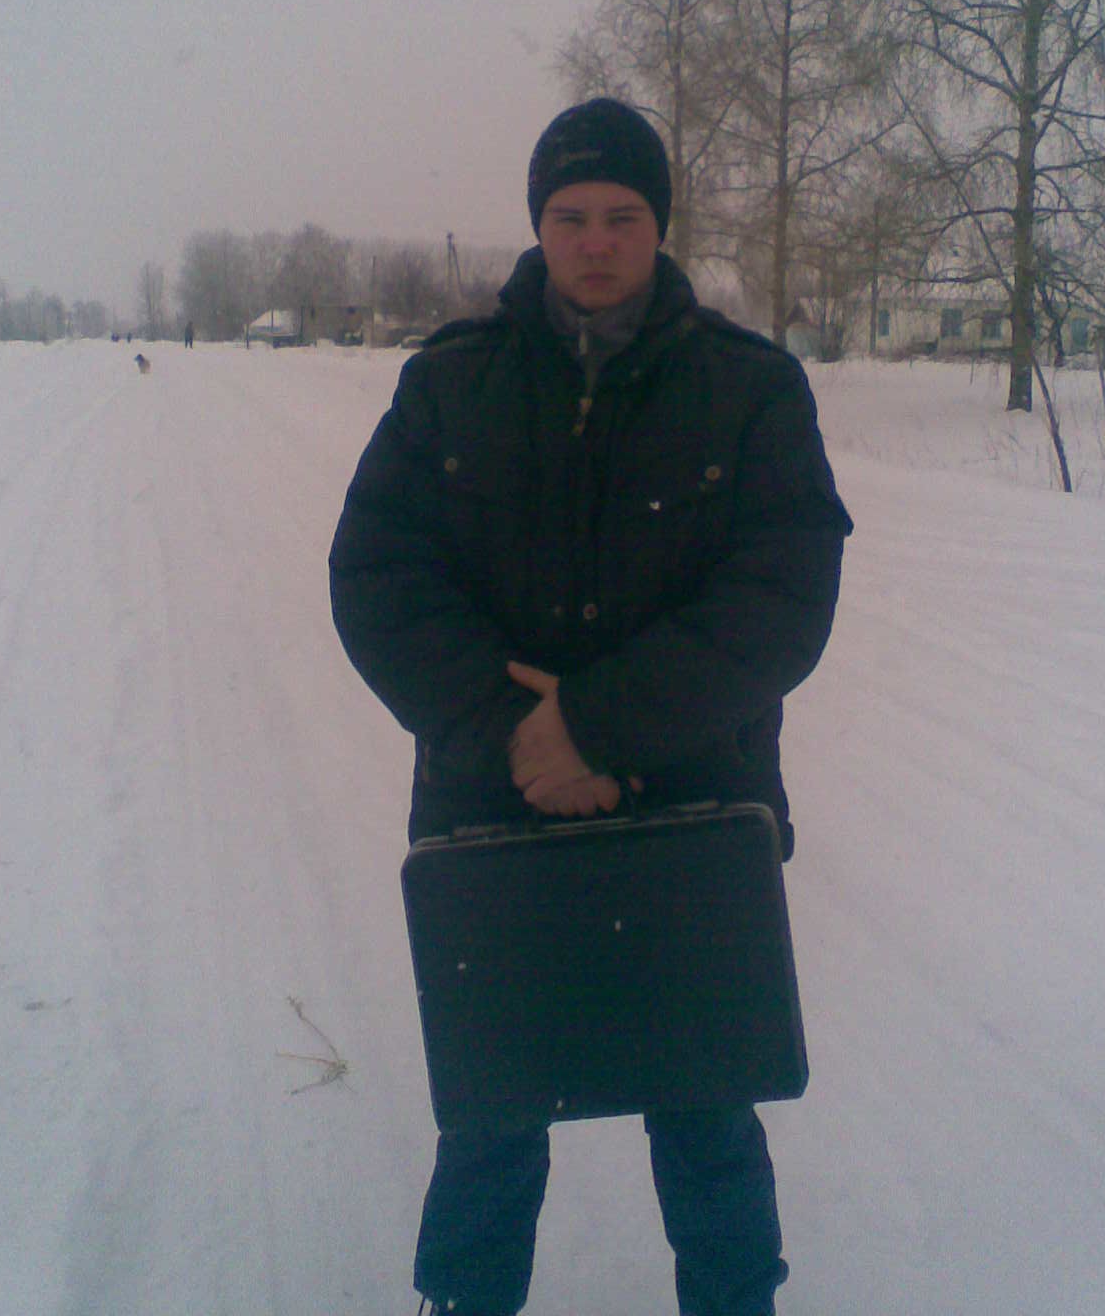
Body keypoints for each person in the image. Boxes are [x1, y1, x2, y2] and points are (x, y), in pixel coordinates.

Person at [329, 98, 852, 1316]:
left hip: (691, 807)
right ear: (539, 225)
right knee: (493, 1112)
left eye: (623, 215)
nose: (597, 241)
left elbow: (784, 596)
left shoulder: (752, 388)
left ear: (659, 225)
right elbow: (377, 579)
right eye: (571, 216)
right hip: (493, 803)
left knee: (706, 1108)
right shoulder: (447, 383)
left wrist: (599, 725)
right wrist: (518, 737)